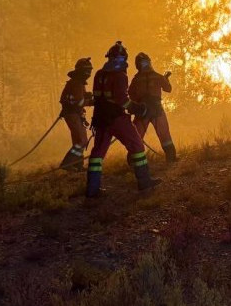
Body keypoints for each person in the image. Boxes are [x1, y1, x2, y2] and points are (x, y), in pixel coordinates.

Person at [86, 41, 161, 197]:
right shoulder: (120, 75)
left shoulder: (99, 74)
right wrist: (138, 108)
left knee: (97, 154)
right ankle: (144, 183)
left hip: (100, 120)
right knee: (137, 146)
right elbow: (122, 100)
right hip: (117, 119)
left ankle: (92, 190)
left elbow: (97, 98)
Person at [129, 52, 177, 162]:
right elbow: (168, 89)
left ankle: (133, 162)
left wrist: (136, 105)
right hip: (156, 110)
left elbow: (131, 94)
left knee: (136, 137)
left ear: (137, 65)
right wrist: (166, 79)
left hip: (142, 111)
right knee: (164, 135)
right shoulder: (157, 76)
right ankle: (171, 159)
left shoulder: (136, 79)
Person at [58, 57, 93, 171]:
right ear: (81, 70)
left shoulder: (78, 82)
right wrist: (92, 101)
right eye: (87, 70)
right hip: (72, 115)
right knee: (82, 141)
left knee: (79, 141)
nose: (88, 73)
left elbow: (79, 98)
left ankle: (77, 165)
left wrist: (87, 96)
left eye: (89, 70)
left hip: (75, 115)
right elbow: (79, 102)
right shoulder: (76, 83)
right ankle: (67, 163)